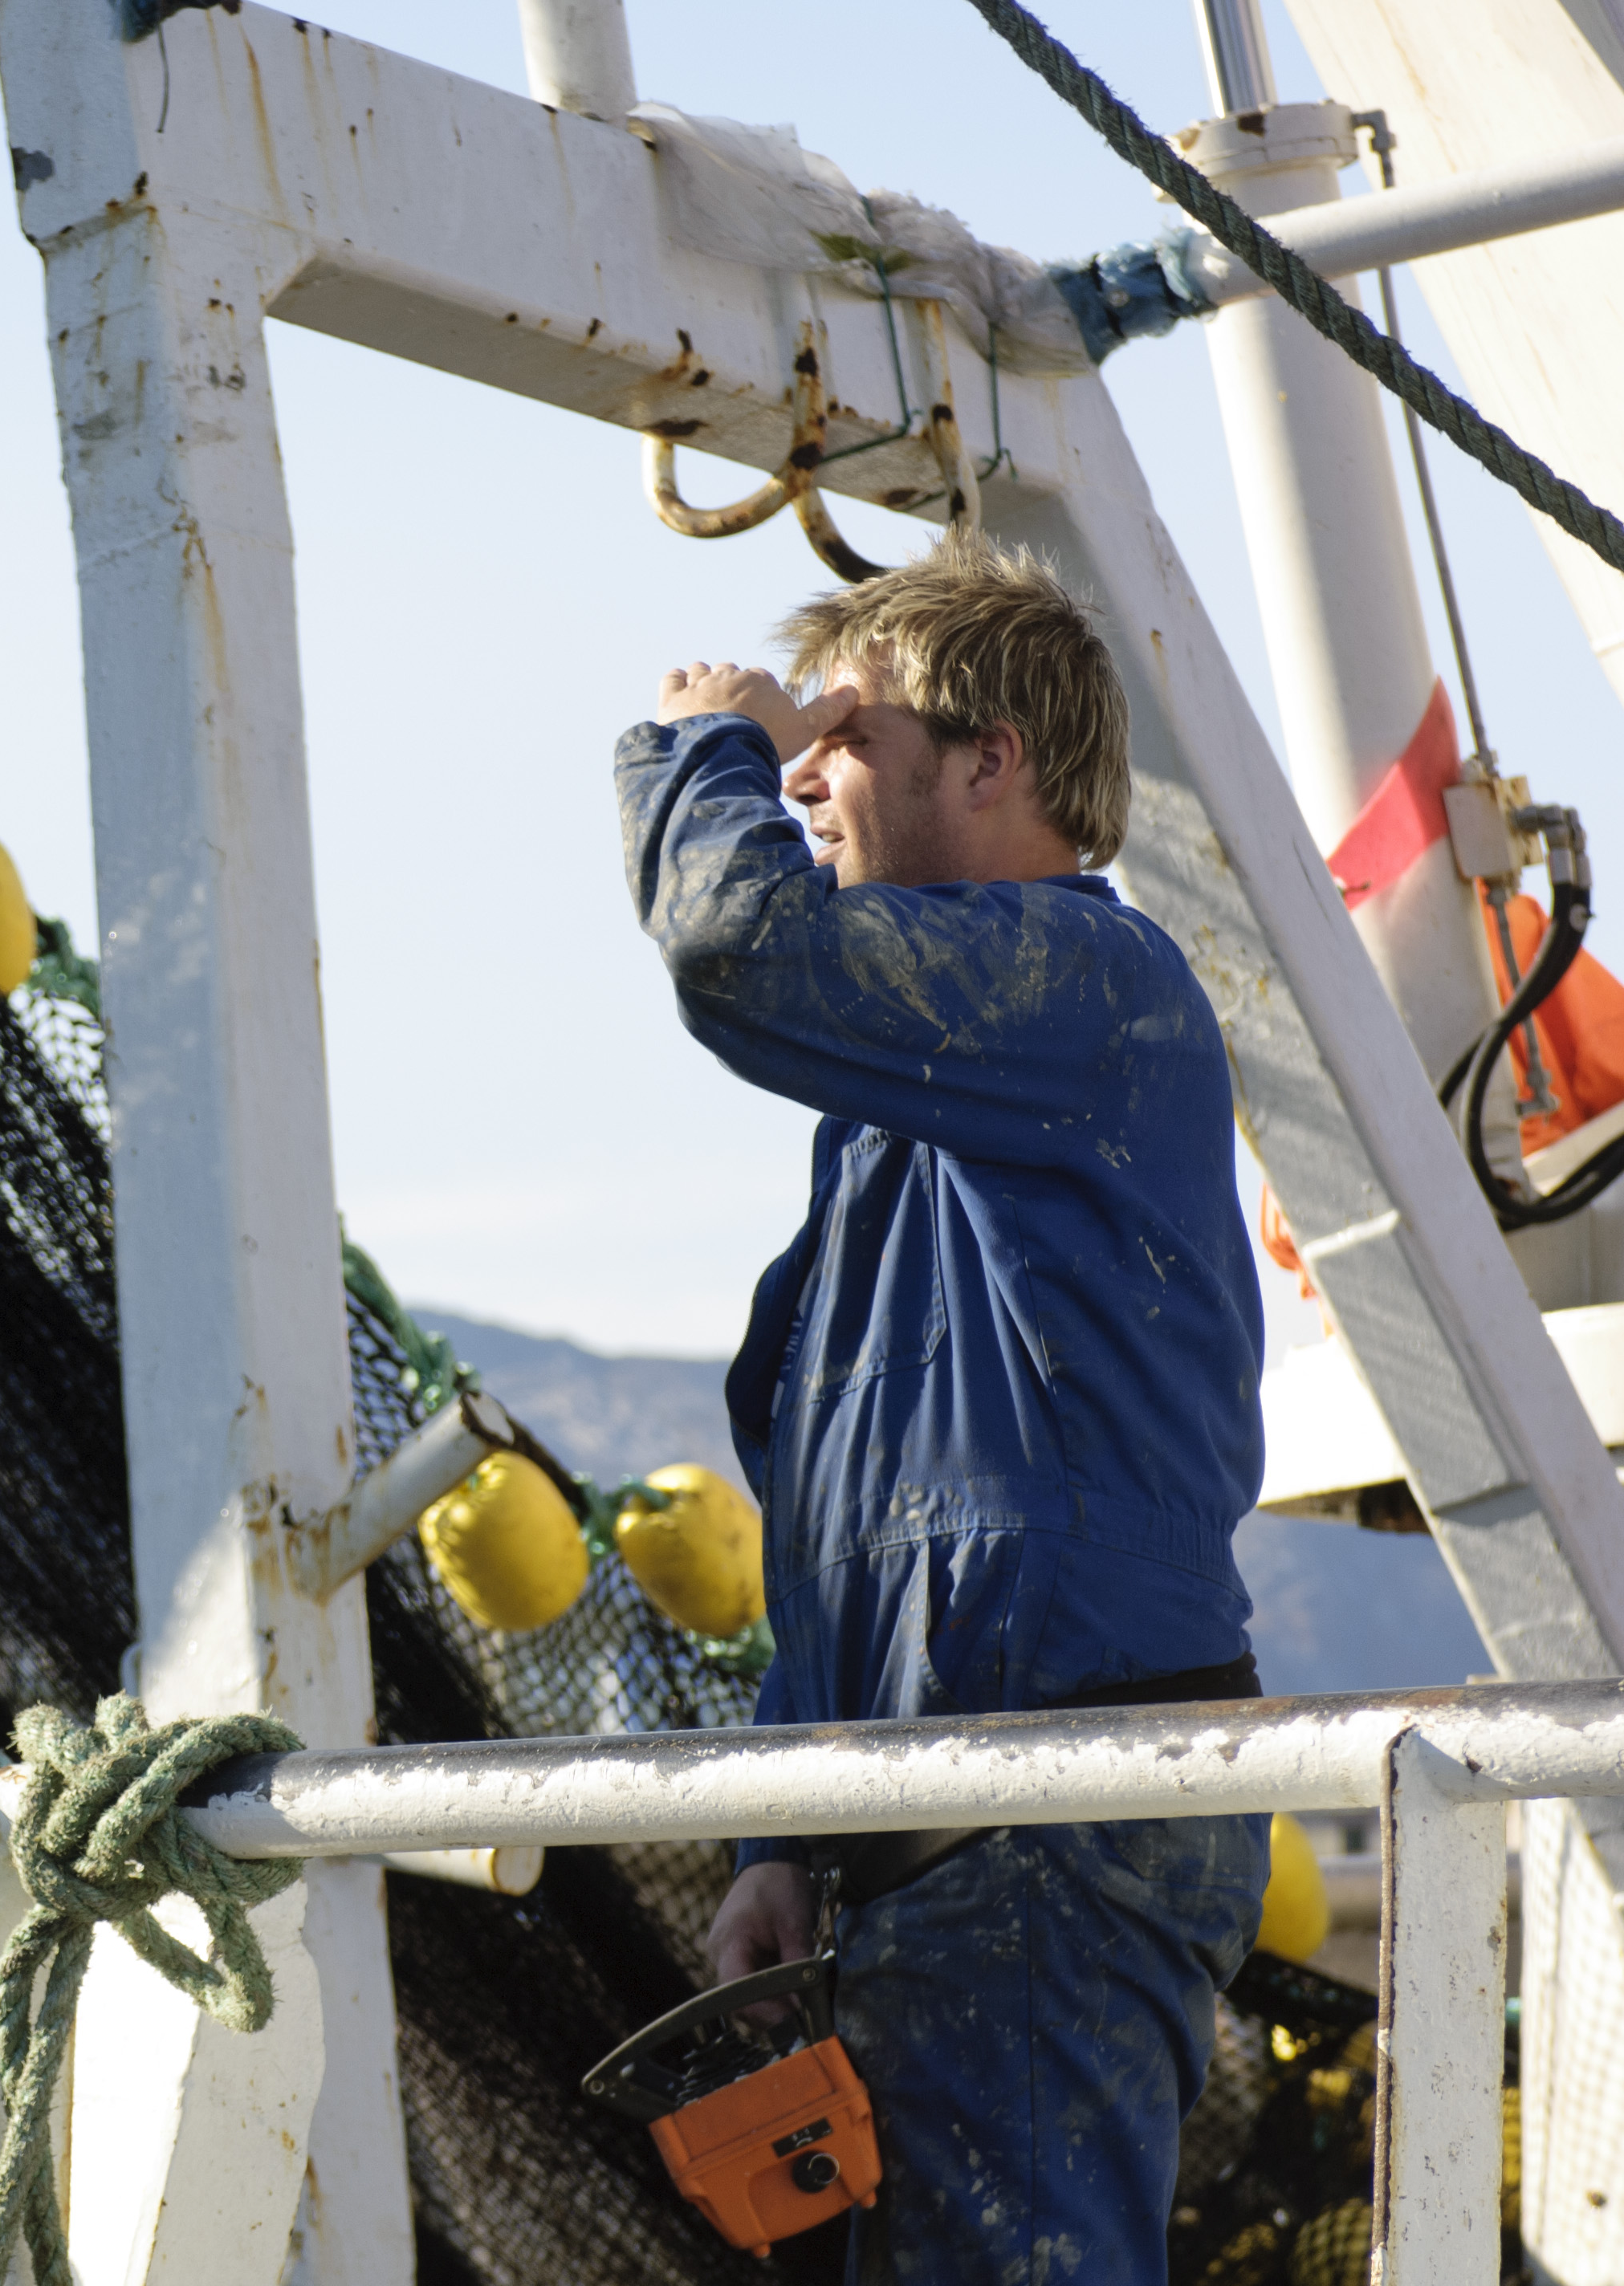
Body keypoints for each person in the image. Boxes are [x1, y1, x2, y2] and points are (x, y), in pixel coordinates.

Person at [617, 531, 1270, 2283]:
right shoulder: (913, 1115)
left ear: (992, 766)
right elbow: (851, 1521)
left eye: (845, 729)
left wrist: (709, 746)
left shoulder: (1088, 984)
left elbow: (736, 951)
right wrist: (785, 1831)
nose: (808, 766)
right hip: (943, 1844)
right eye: (795, 736)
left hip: (1043, 1832)